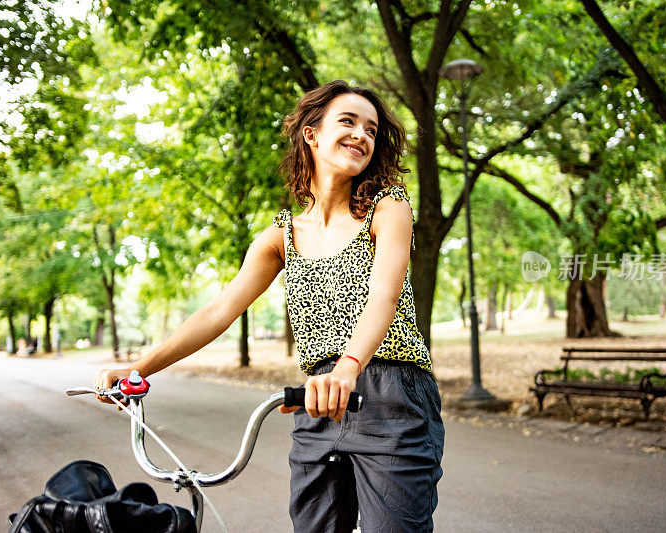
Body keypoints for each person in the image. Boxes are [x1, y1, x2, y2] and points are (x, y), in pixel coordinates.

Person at [95, 80, 444, 532]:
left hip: (391, 394)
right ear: (311, 135)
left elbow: (384, 294)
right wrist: (140, 368)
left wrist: (348, 367)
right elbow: (220, 310)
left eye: (372, 130)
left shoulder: (387, 208)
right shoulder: (281, 235)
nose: (362, 134)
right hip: (318, 397)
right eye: (348, 121)